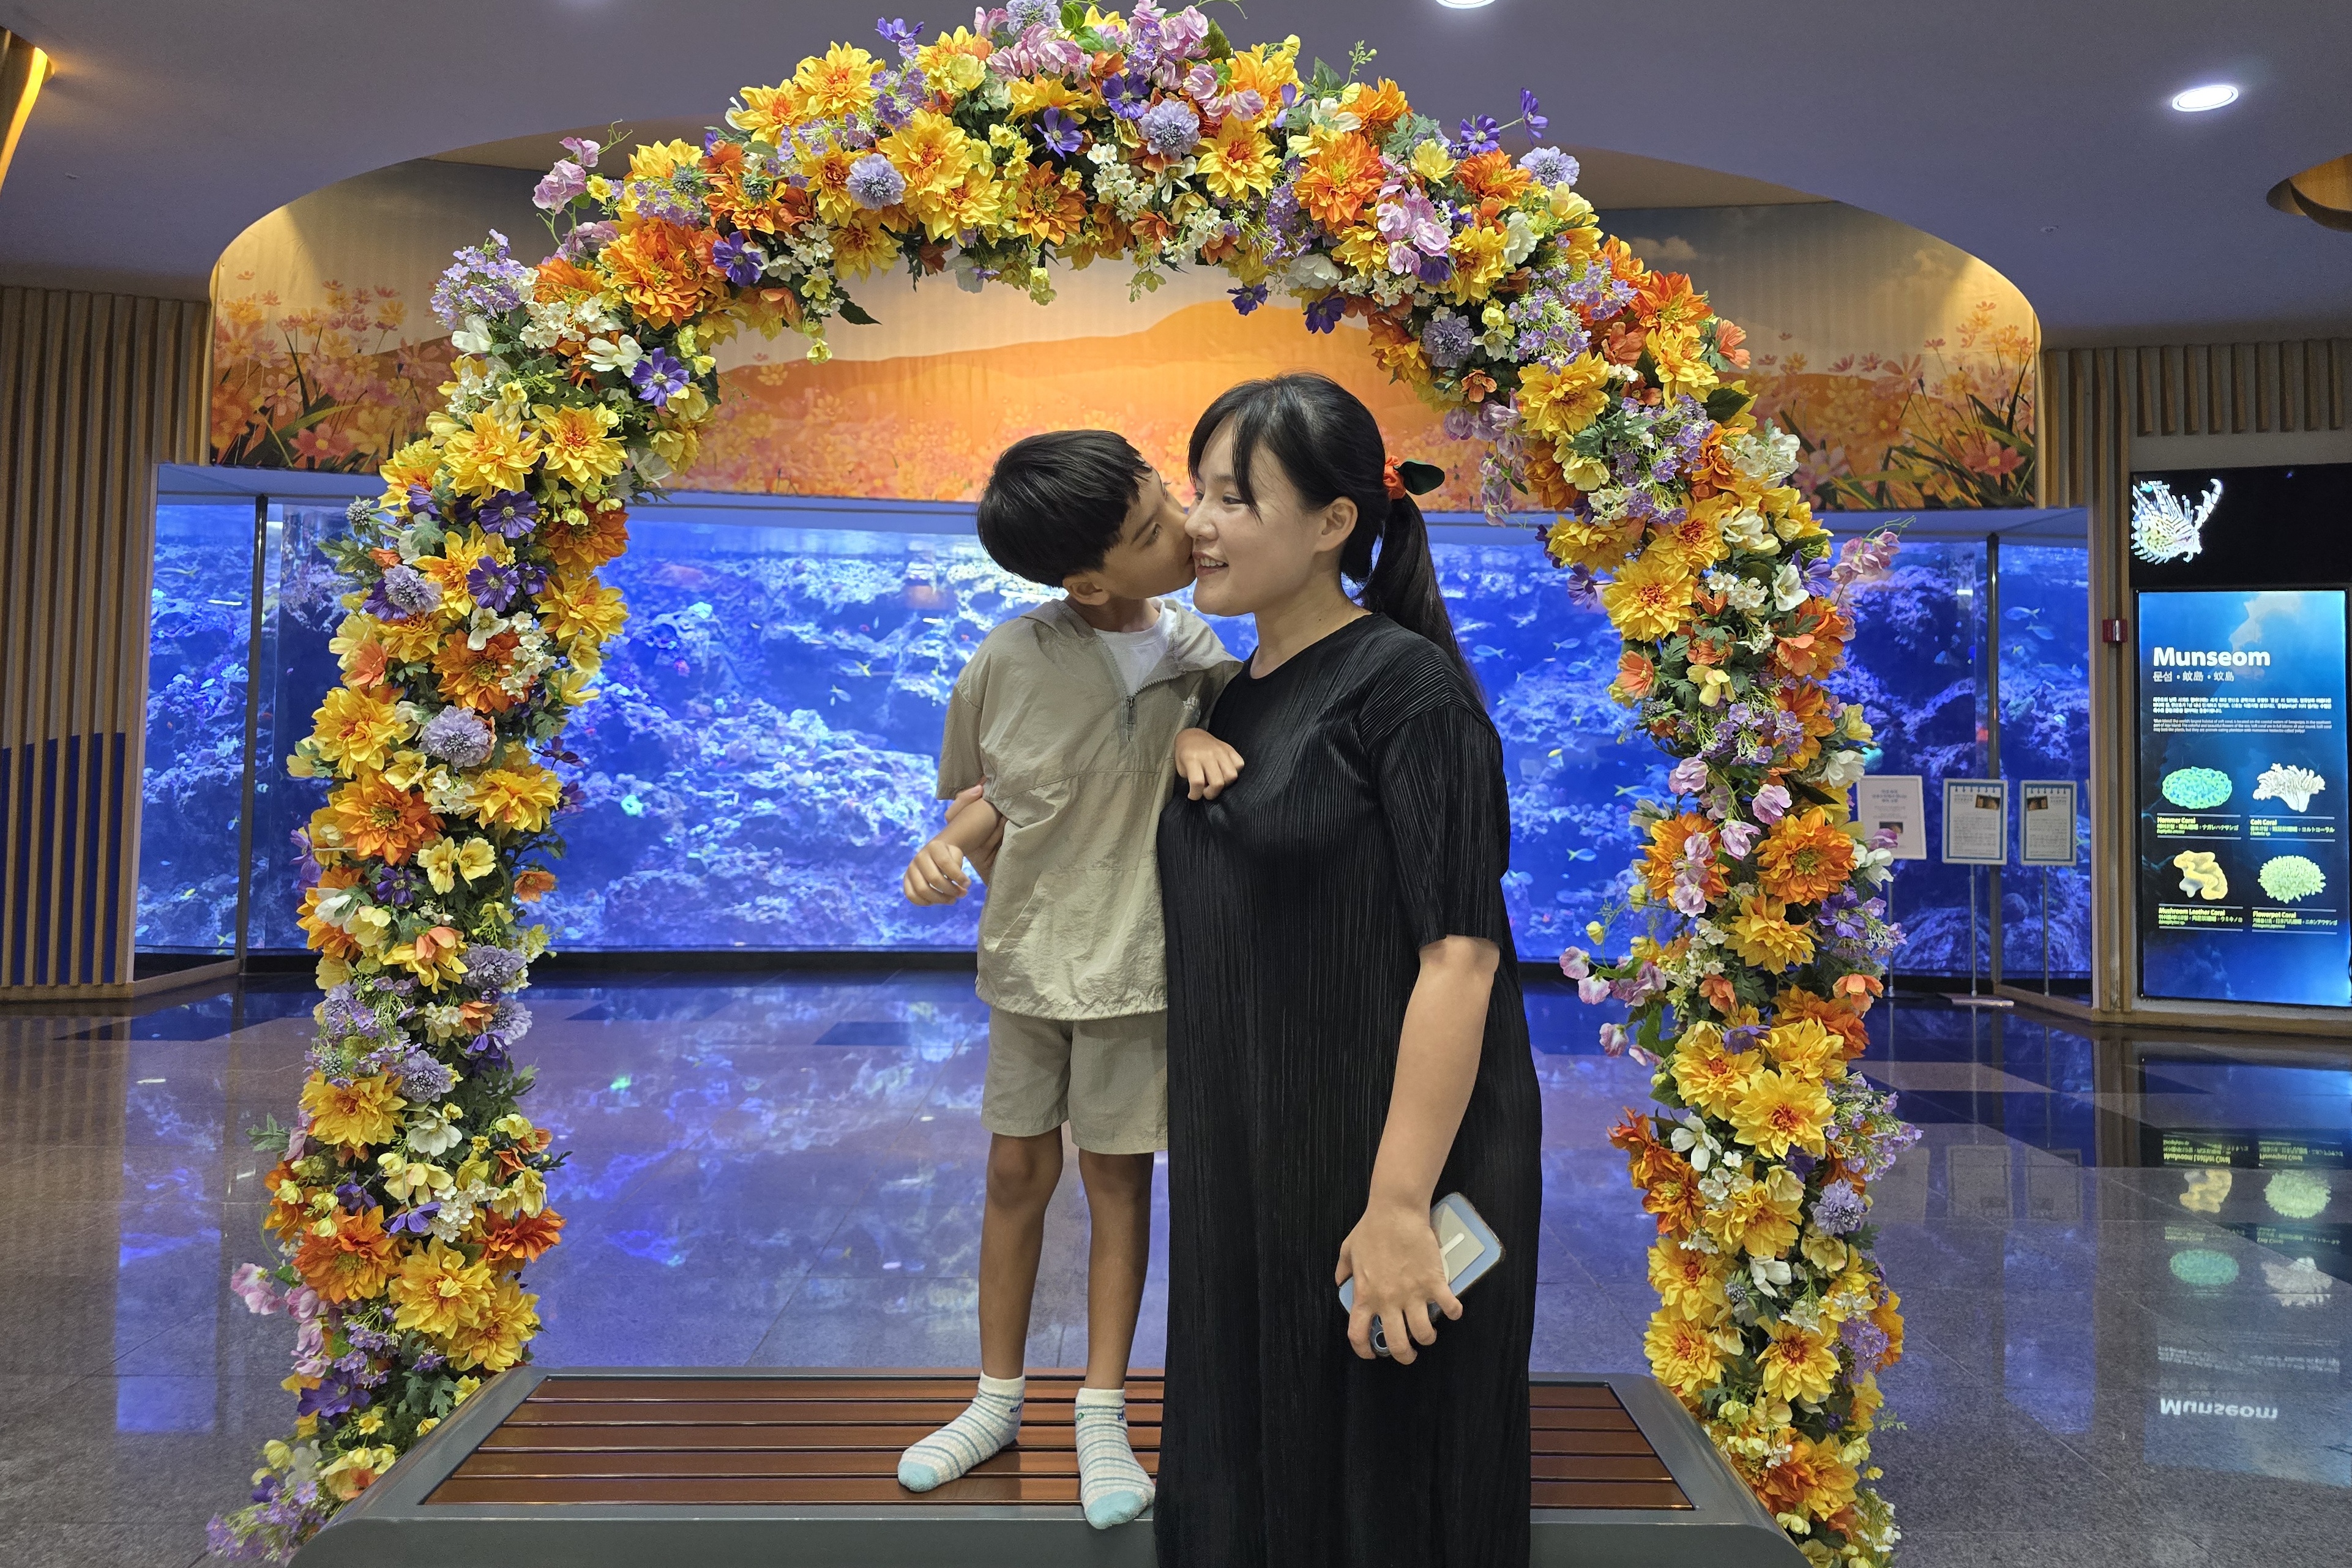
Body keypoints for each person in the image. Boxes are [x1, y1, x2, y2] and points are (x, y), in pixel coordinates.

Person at [1155, 375, 1542, 1566]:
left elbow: (1460, 958)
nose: (1198, 522)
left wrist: (1397, 1207)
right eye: (1196, 490)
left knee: (1381, 1493)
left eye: (1235, 498)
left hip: (1385, 1167)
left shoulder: (1405, 690)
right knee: (1248, 1470)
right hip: (1249, 1157)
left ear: (1332, 523)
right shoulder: (1229, 697)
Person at [896, 429, 1244, 1529]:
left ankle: (1103, 1409)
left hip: (1138, 967)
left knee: (1119, 1182)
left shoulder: (1203, 656)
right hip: (1030, 957)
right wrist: (945, 848)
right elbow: (1001, 791)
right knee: (1013, 1170)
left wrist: (1194, 741)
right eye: (1151, 530)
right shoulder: (1010, 658)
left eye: (1167, 500)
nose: (1184, 528)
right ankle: (996, 1399)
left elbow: (1231, 754)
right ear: (1087, 580)